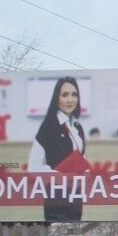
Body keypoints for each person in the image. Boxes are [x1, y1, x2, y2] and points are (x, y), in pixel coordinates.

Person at [28, 77, 88, 222]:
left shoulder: (77, 127)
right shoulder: (49, 125)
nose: (70, 99)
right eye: (65, 94)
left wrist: (86, 173)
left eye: (74, 95)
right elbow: (33, 166)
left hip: (76, 197)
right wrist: (59, 177)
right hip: (56, 198)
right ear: (57, 98)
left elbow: (80, 156)